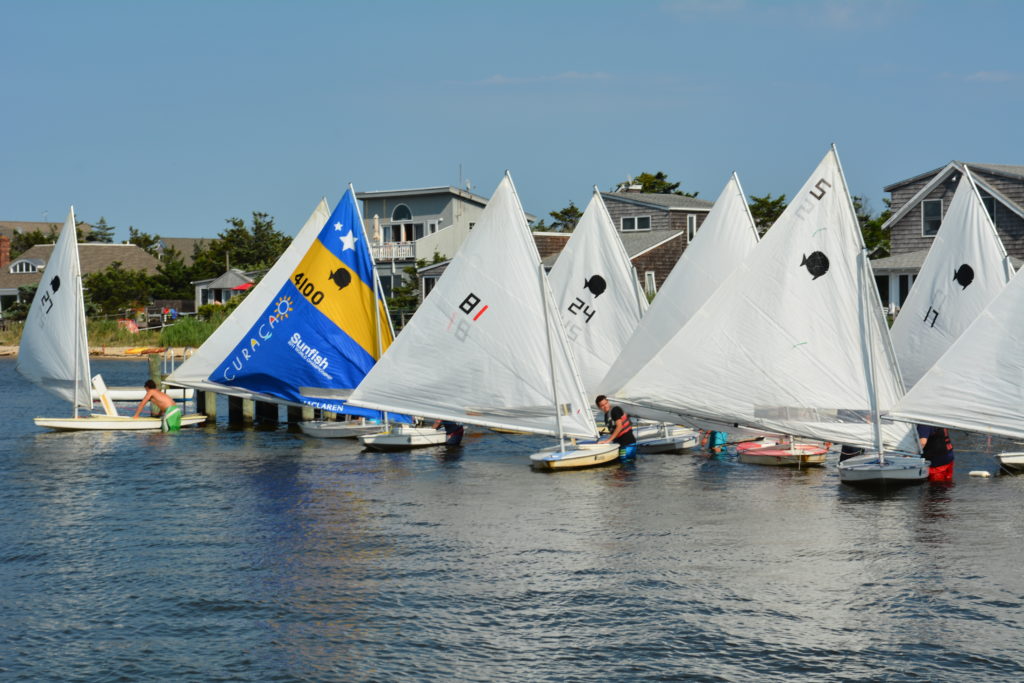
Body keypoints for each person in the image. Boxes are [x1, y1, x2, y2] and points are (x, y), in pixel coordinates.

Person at [595, 395, 637, 461]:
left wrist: (608, 440)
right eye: (602, 405)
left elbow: (619, 426)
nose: (605, 406)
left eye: (606, 403)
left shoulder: (615, 410)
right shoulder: (607, 416)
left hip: (627, 443)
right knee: (621, 466)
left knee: (625, 463)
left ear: (608, 402)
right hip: (620, 444)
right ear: (599, 407)